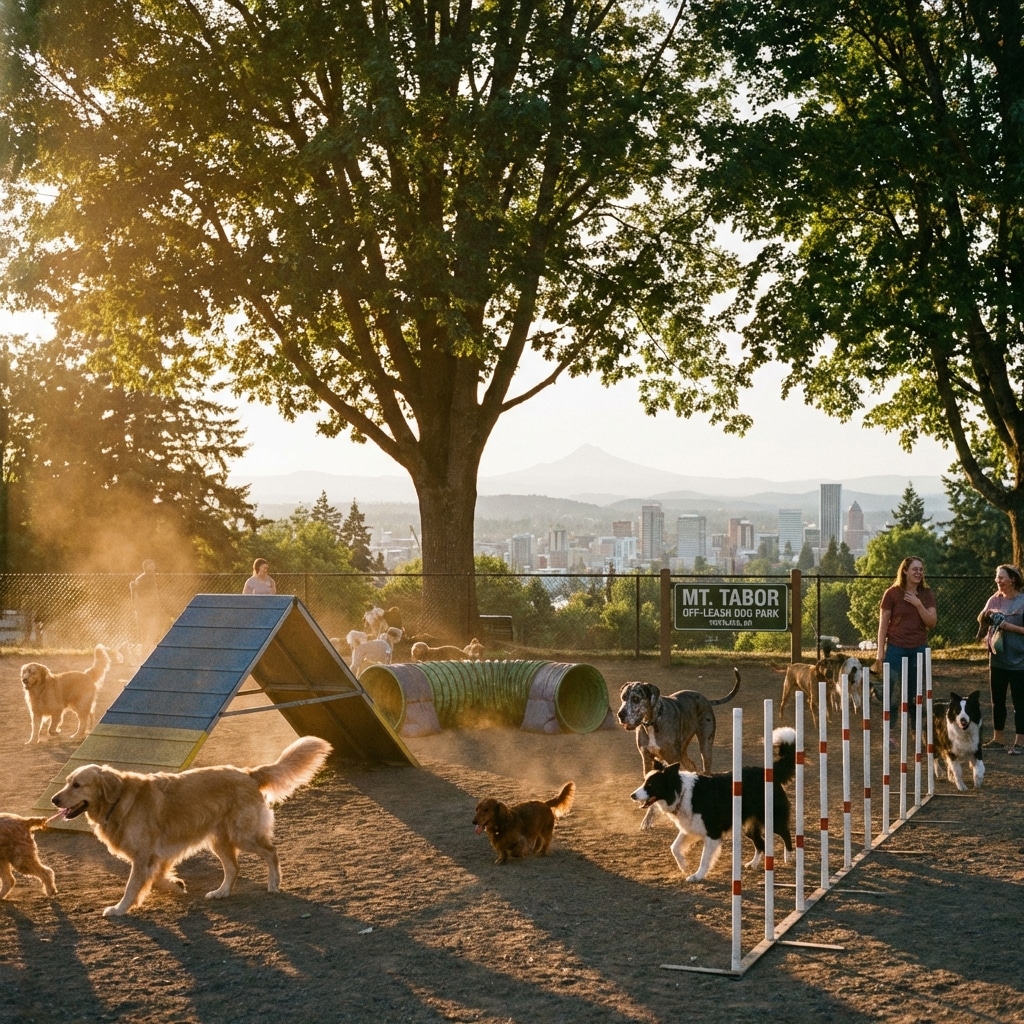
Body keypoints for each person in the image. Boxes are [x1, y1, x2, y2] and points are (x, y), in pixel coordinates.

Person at [869, 555, 937, 730]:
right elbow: (883, 625)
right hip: (896, 648)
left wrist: (918, 604)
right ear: (905, 571)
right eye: (915, 569)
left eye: (921, 569)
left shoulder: (926, 594)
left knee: (915, 693)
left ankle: (916, 732)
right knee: (890, 690)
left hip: (918, 648)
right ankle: (889, 731)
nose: (918, 572)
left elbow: (931, 622)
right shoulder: (892, 593)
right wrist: (880, 653)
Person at [977, 563, 1024, 754]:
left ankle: (1020, 742)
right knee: (998, 701)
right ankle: (998, 738)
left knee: (1020, 703)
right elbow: (981, 623)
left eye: (1001, 577)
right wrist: (986, 616)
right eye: (997, 577)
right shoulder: (994, 599)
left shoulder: (1022, 601)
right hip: (997, 659)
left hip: (1020, 661)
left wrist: (1008, 626)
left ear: (1012, 579)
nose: (997, 580)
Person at [129, 559, 164, 651]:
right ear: (146, 567)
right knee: (146, 629)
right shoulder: (142, 579)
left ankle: (149, 647)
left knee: (152, 628)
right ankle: (145, 648)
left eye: (153, 565)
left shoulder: (150, 577)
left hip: (150, 608)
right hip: (145, 609)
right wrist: (138, 607)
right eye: (151, 565)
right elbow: (136, 593)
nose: (153, 567)